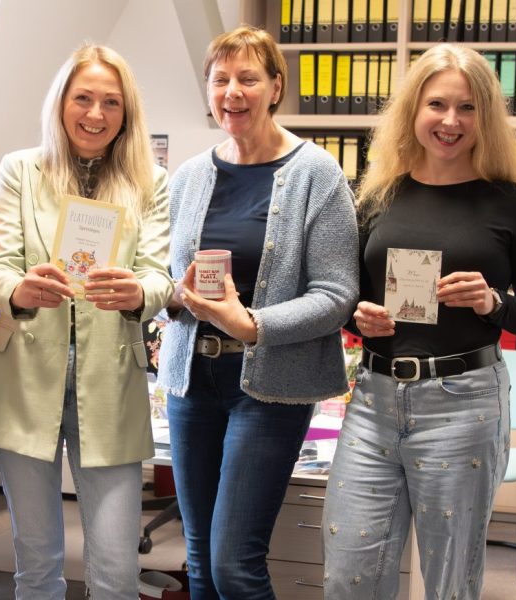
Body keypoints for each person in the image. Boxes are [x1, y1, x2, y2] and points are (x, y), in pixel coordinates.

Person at [323, 43, 516, 599]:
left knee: (448, 582)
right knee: (348, 573)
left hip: (464, 403)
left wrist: (493, 303)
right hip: (375, 400)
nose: (450, 121)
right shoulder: (379, 196)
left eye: (468, 107)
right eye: (437, 105)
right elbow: (352, 296)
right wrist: (359, 318)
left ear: (486, 117)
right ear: (413, 110)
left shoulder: (514, 204)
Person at [157, 26, 360, 599]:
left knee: (233, 564)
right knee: (197, 558)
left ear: (276, 87)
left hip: (269, 387)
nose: (232, 92)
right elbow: (168, 279)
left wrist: (253, 325)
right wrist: (178, 294)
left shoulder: (317, 174)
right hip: (192, 380)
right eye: (220, 80)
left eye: (248, 78)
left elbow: (335, 293)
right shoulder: (191, 175)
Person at [0, 44, 172, 600]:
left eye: (111, 102)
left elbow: (159, 276)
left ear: (126, 113)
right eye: (83, 98)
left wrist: (138, 294)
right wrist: (19, 290)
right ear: (61, 103)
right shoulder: (21, 168)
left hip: (110, 382)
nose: (96, 114)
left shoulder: (149, 180)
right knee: (36, 564)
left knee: (115, 570)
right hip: (25, 377)